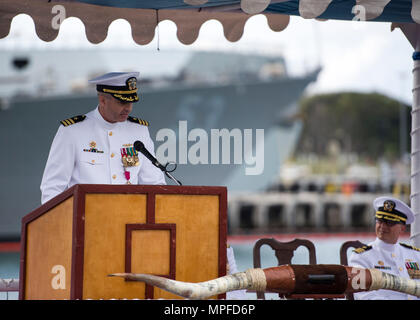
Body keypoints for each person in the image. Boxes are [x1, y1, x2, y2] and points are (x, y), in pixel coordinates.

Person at [40, 72, 166, 204]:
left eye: (131, 102)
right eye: (122, 102)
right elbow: (53, 187)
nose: (128, 108)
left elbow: (154, 183)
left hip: (130, 218)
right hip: (86, 219)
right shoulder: (72, 131)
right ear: (103, 100)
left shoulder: (139, 131)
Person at [349, 196, 420, 300]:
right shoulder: (360, 257)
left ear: (402, 228)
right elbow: (365, 296)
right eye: (379, 220)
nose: (382, 226)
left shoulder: (415, 255)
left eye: (389, 222)